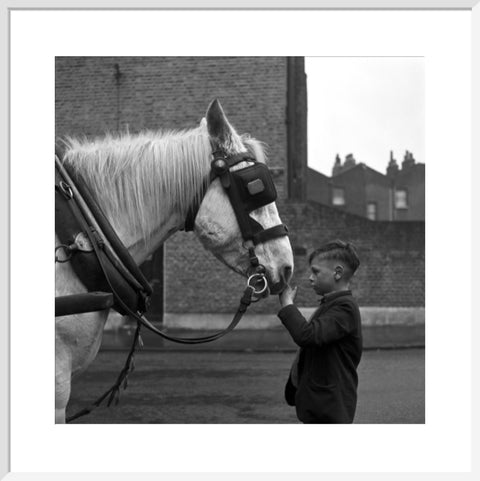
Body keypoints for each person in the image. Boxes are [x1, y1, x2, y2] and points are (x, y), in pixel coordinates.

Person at [277, 240, 362, 424]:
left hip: (330, 409)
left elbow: (307, 336)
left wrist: (287, 304)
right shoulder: (332, 304)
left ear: (337, 273)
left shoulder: (345, 308)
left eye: (316, 271)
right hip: (320, 405)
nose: (310, 277)